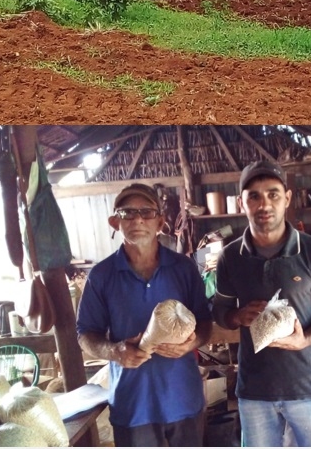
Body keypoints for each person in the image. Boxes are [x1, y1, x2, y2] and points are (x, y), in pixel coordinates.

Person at [212, 160, 311, 446]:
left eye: (273, 194)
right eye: (254, 196)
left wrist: (305, 339)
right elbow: (220, 312)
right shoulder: (230, 257)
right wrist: (237, 316)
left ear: (287, 198)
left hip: (309, 387)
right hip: (254, 391)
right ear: (242, 203)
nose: (264, 204)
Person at [77, 183, 212, 447]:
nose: (138, 219)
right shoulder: (101, 276)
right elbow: (85, 334)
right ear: (115, 222)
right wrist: (115, 351)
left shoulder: (183, 268)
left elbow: (206, 324)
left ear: (160, 221)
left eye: (147, 212)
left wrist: (191, 344)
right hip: (133, 404)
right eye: (127, 213)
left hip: (183, 399)